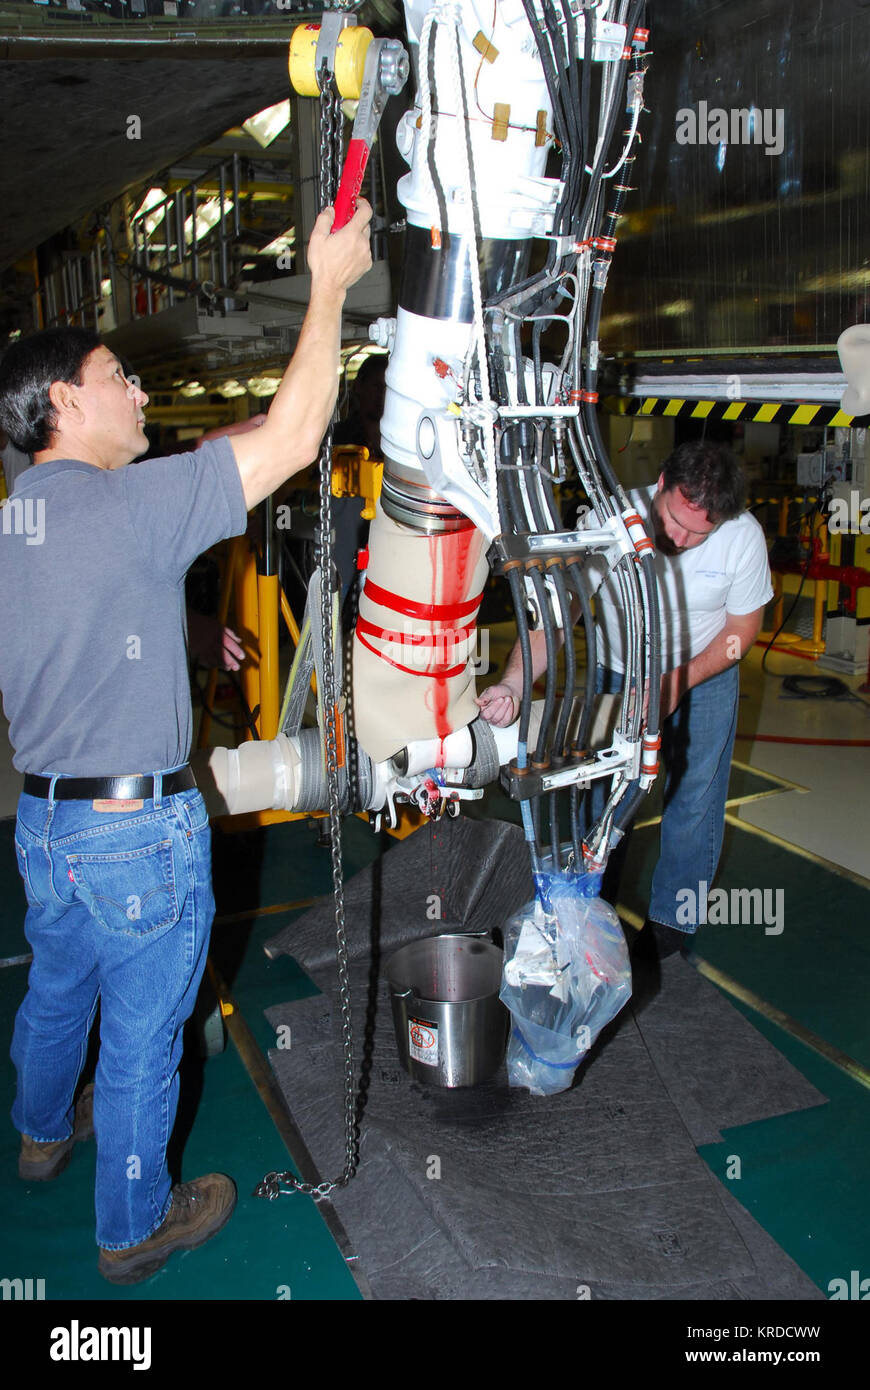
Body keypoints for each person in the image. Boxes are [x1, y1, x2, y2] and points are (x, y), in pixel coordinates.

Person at [0, 199, 372, 1284]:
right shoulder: (130, 506)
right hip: (133, 835)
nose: (141, 391)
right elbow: (297, 437)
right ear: (67, 400)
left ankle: (36, 1136)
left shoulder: (19, 521)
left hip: (46, 824)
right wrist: (331, 282)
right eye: (121, 377)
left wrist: (191, 633)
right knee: (144, 1036)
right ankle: (132, 1225)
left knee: (59, 987)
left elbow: (70, 619)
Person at [477, 440, 773, 958]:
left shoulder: (743, 537)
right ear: (660, 485)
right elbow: (559, 614)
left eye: (696, 533)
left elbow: (740, 632)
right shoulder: (610, 522)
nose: (678, 539)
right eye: (674, 520)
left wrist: (677, 682)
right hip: (621, 671)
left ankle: (669, 933)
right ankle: (588, 906)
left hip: (706, 671)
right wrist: (514, 685)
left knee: (696, 802)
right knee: (601, 793)